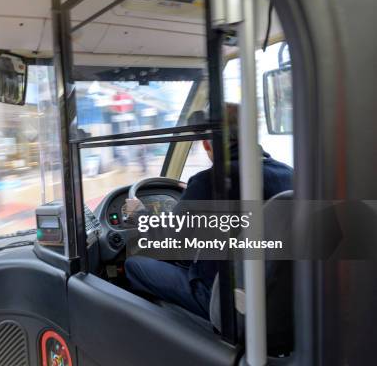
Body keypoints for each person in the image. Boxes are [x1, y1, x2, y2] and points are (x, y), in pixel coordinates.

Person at [124, 103, 293, 319]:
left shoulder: (209, 183)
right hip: (275, 299)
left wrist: (138, 213)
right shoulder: (289, 174)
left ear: (207, 145)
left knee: (133, 265)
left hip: (222, 301)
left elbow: (166, 242)